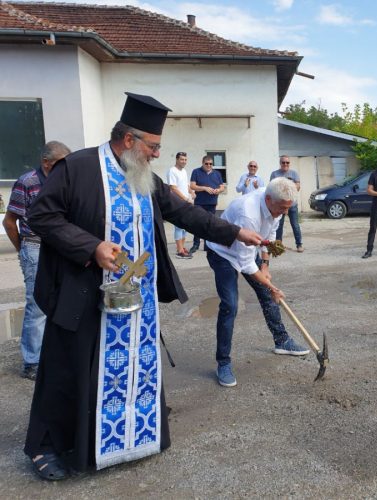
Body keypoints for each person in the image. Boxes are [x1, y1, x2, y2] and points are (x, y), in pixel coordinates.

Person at [23, 92, 262, 481]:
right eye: (153, 146)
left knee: (132, 363)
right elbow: (41, 217)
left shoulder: (145, 179)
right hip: (83, 291)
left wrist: (236, 232)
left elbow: (185, 213)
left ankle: (130, 434)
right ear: (129, 140)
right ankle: (47, 447)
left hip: (136, 299)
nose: (156, 155)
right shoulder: (78, 168)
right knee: (69, 369)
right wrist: (92, 247)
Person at [206, 178, 310, 387]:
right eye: (282, 208)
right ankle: (223, 363)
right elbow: (245, 264)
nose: (284, 212)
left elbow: (269, 236)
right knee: (230, 305)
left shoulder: (279, 204)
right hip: (223, 252)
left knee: (266, 294)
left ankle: (282, 341)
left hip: (248, 248)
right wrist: (272, 287)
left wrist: (265, 265)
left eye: (287, 209)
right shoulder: (248, 213)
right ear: (268, 199)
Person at [3, 141, 71, 380]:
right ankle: (32, 361)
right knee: (37, 304)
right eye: (60, 165)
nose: (66, 168)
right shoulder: (28, 181)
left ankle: (52, 354)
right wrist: (24, 250)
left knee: (62, 300)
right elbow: (9, 222)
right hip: (35, 247)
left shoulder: (65, 180)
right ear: (46, 162)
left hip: (60, 247)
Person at [189, 155, 226, 253]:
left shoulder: (217, 173)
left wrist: (218, 190)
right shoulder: (196, 171)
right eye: (207, 164)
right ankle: (195, 244)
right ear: (202, 163)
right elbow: (192, 186)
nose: (209, 165)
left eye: (211, 164)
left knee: (209, 224)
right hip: (200, 202)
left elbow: (222, 187)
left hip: (212, 203)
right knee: (198, 224)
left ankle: (208, 246)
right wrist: (204, 188)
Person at [270, 155, 303, 252]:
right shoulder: (274, 174)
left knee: (295, 225)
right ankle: (278, 246)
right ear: (280, 163)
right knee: (278, 225)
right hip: (279, 206)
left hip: (292, 205)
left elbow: (298, 187)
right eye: (283, 162)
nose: (285, 164)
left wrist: (286, 187)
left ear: (289, 163)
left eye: (287, 162)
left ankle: (299, 245)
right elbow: (272, 187)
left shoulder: (294, 173)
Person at [167, 151, 194, 259]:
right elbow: (173, 188)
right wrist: (185, 198)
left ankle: (182, 248)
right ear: (177, 160)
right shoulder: (172, 171)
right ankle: (179, 251)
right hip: (177, 202)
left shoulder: (184, 171)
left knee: (184, 227)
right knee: (178, 227)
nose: (184, 162)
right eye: (182, 159)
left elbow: (185, 185)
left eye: (185, 160)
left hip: (185, 202)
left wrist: (191, 192)